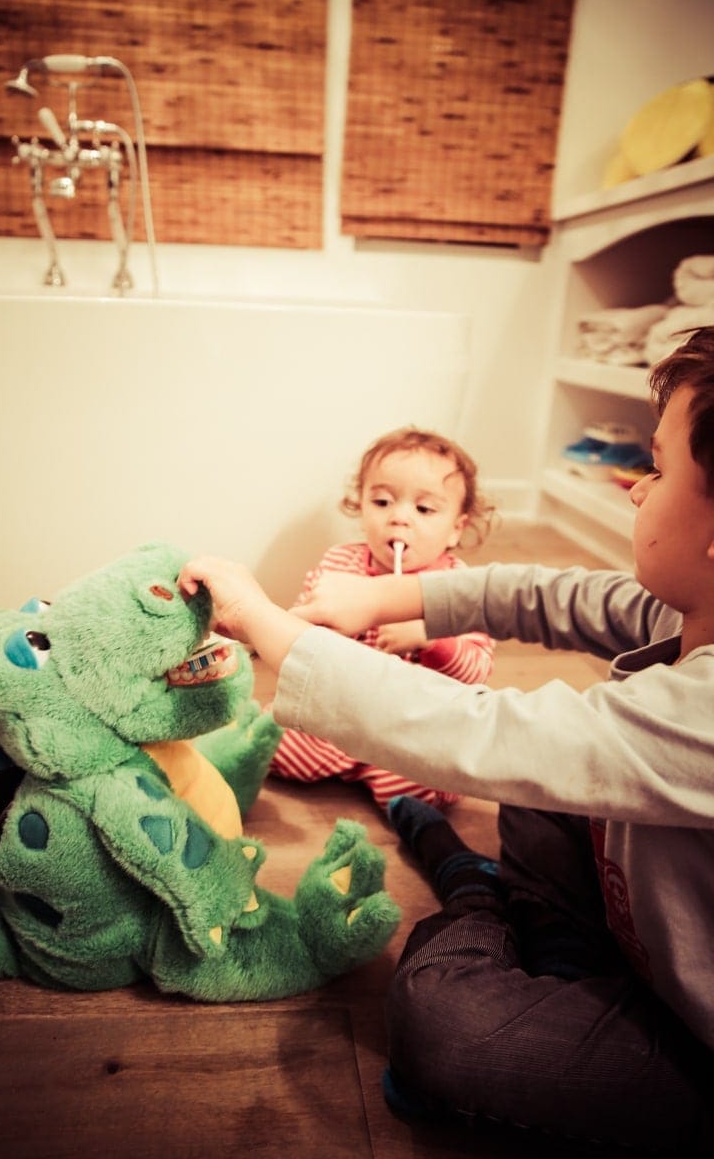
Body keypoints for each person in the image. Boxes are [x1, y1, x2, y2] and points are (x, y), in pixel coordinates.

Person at [178, 327, 714, 1153]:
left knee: (444, 1028)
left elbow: (480, 727)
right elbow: (543, 594)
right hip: (655, 920)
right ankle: (567, 950)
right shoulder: (690, 612)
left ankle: (472, 895)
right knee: (543, 795)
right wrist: (382, 603)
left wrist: (268, 628)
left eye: (660, 469)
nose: (637, 491)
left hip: (695, 1042)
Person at [268, 426, 495, 812]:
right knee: (272, 742)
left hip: (413, 726)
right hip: (341, 715)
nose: (399, 518)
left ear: (456, 529)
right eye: (383, 502)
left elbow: (476, 668)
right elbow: (302, 638)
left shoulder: (461, 586)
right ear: (361, 507)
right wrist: (324, 627)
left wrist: (432, 638)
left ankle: (393, 776)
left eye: (424, 509)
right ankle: (342, 758)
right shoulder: (340, 564)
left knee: (433, 781)